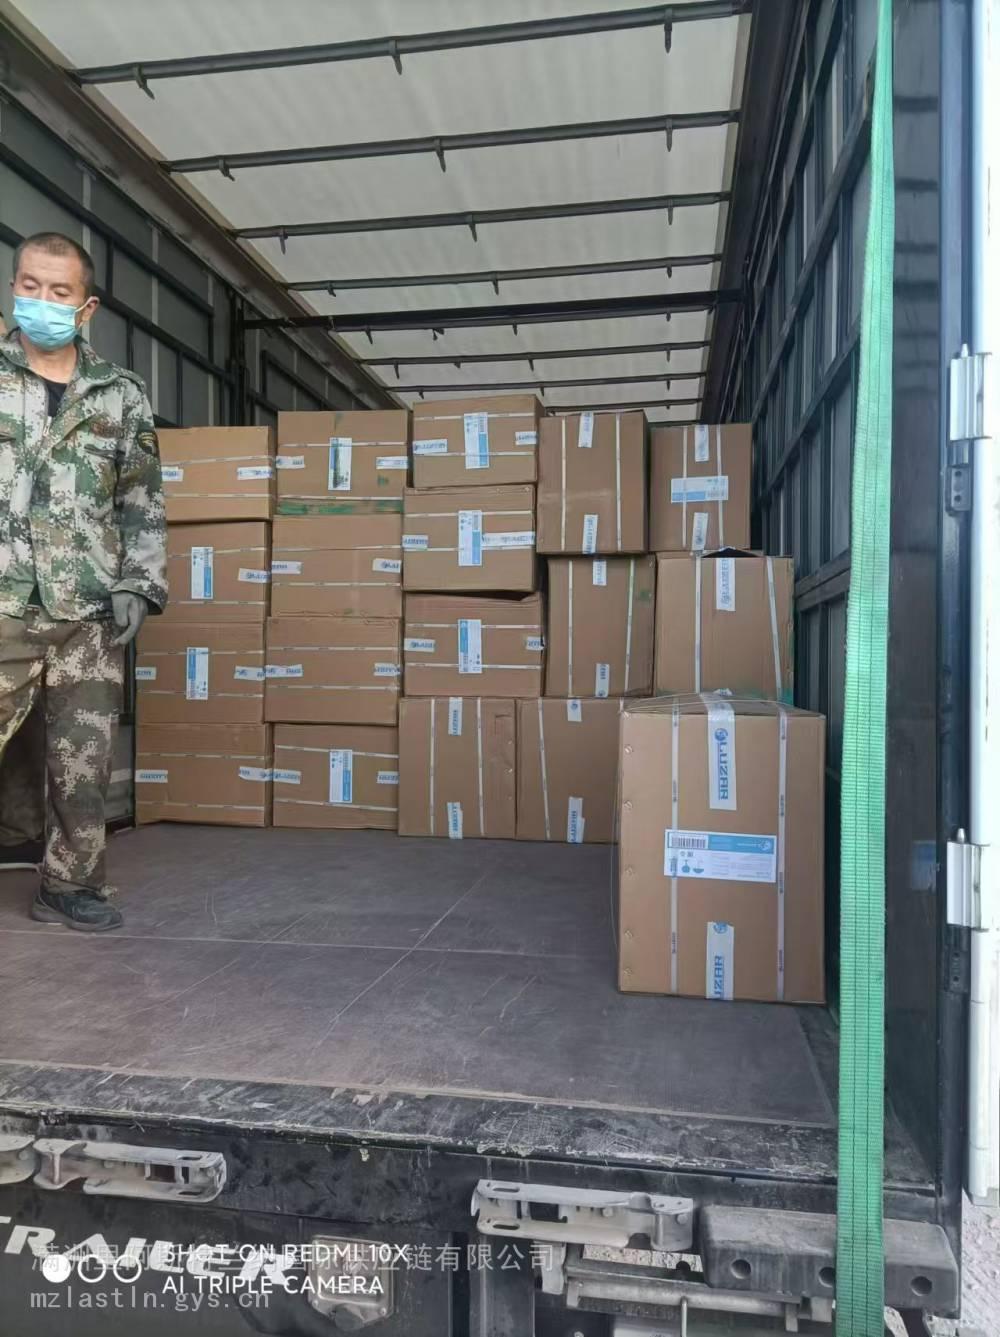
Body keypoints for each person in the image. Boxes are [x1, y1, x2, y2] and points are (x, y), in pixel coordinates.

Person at [0, 231, 167, 931]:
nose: (41, 300)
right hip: (5, 597)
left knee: (83, 758)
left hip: (89, 608)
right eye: (29, 285)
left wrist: (139, 583)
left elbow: (141, 499)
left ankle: (70, 885)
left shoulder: (120, 394)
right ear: (14, 286)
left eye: (59, 291)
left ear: (86, 306)